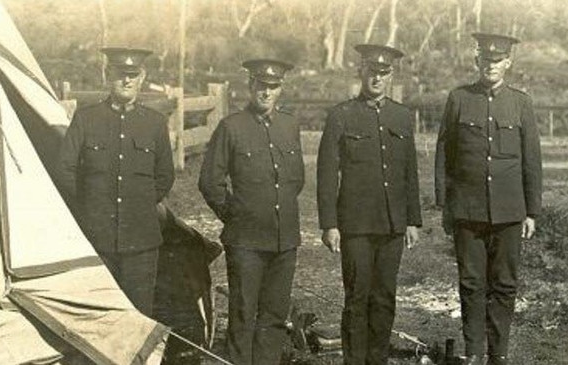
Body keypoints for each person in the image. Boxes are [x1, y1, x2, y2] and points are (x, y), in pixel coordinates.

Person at [435, 33, 542, 365]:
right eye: (485, 59)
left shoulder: (521, 103)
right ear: (476, 60)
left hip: (510, 211)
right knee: (470, 283)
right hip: (468, 209)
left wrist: (532, 212)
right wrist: (446, 204)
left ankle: (499, 354)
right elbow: (445, 154)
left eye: (497, 60)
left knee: (505, 285)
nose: (490, 65)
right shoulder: (459, 99)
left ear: (508, 62)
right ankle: (473, 353)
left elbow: (531, 161)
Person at [317, 44, 422, 365]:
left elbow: (409, 172)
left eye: (383, 73)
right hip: (356, 225)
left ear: (391, 75)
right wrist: (329, 224)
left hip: (392, 223)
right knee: (357, 296)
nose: (377, 78)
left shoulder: (402, 116)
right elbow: (325, 173)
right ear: (361, 72)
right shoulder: (341, 115)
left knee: (385, 297)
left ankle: (377, 360)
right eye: (371, 72)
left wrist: (413, 220)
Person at [198, 59, 304, 365]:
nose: (267, 92)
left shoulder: (290, 125)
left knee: (273, 315)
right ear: (250, 86)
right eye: (261, 86)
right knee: (243, 313)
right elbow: (210, 182)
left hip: (284, 238)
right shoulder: (231, 127)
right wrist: (236, 215)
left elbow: (295, 179)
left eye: (273, 87)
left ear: (280, 88)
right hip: (246, 241)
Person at [58, 47, 175, 316]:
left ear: (142, 77)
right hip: (97, 237)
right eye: (121, 74)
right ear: (108, 75)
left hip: (141, 239)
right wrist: (91, 203)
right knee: (99, 315)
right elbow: (65, 169)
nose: (127, 81)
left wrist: (140, 204)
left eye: (133, 75)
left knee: (139, 314)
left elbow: (165, 176)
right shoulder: (87, 119)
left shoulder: (154, 123)